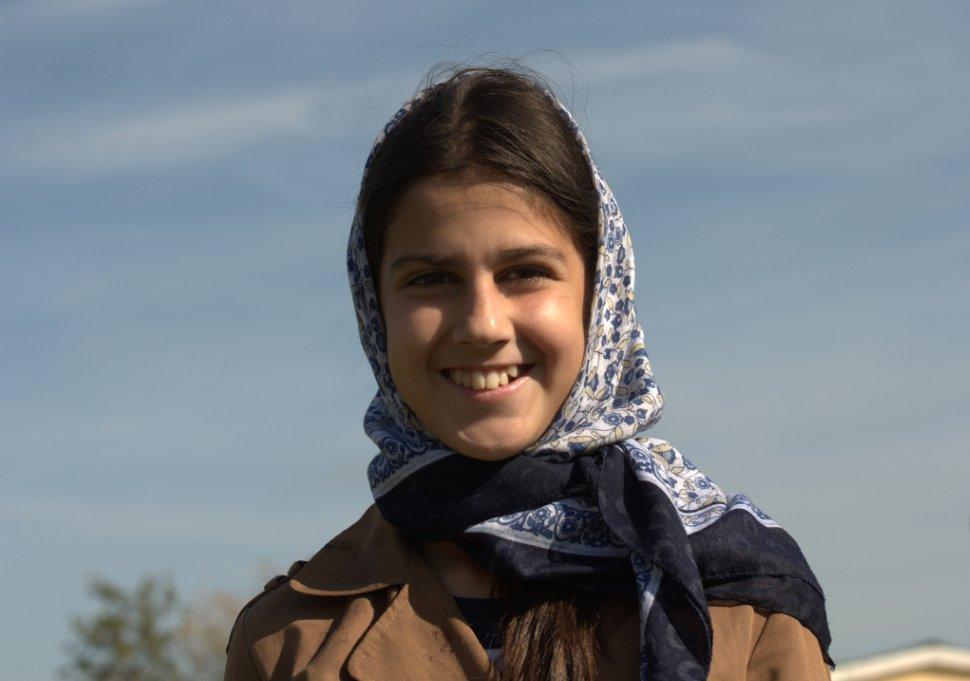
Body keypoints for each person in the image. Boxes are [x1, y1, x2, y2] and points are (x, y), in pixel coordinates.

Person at [224, 64, 834, 681]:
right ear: (374, 308)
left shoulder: (746, 608)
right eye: (431, 279)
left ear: (600, 294)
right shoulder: (285, 643)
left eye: (525, 272)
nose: (482, 324)